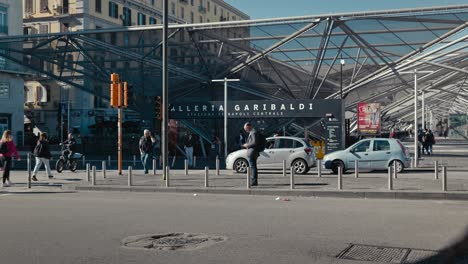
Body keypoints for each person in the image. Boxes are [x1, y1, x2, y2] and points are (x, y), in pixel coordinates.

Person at [242, 122, 259, 186]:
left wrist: (247, 145)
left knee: (253, 167)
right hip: (253, 152)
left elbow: (254, 142)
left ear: (249, 126)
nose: (245, 130)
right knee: (253, 167)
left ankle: (254, 181)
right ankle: (253, 180)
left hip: (252, 152)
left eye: (246, 129)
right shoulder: (253, 132)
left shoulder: (253, 132)